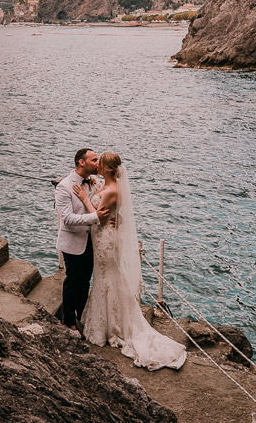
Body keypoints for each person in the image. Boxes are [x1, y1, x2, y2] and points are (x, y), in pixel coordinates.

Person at [72, 152, 187, 371]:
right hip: (102, 236)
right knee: (104, 276)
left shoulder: (113, 189)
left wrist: (85, 199)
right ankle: (105, 318)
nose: (97, 166)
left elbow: (97, 215)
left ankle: (111, 325)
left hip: (106, 239)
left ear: (106, 168)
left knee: (108, 276)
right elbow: (115, 214)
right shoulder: (106, 185)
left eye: (100, 163)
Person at [55, 148, 114, 334]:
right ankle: (69, 320)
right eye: (94, 160)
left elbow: (102, 200)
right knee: (72, 281)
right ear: (82, 162)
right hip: (73, 242)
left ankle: (83, 315)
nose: (98, 163)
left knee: (86, 281)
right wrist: (95, 217)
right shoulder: (64, 186)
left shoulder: (94, 182)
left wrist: (113, 217)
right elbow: (68, 218)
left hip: (93, 241)